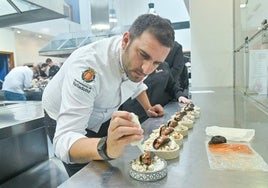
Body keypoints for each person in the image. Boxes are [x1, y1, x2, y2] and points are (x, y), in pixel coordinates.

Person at [42, 14, 175, 176]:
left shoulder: (139, 63)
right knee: (85, 175)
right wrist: (105, 147)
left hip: (100, 116)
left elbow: (137, 83)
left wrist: (148, 108)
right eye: (143, 55)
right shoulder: (88, 67)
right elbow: (64, 140)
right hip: (62, 118)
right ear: (125, 40)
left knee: (107, 170)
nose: (147, 69)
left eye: (156, 63)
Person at [119, 61, 191, 123]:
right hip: (135, 115)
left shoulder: (164, 65)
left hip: (158, 114)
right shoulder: (133, 66)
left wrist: (180, 95)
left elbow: (172, 85)